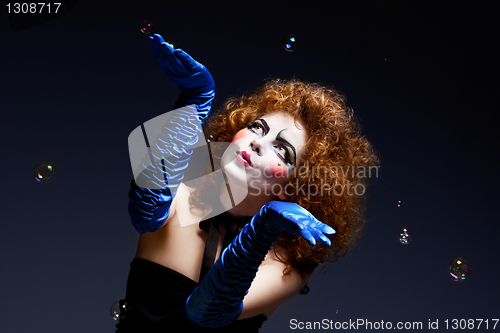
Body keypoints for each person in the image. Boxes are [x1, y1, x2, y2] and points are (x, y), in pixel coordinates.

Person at [116, 34, 379, 332]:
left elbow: (207, 311)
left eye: (282, 150)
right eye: (257, 128)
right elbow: (145, 207)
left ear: (297, 185)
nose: (257, 143)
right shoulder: (180, 198)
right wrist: (193, 104)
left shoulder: (287, 265)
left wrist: (263, 229)